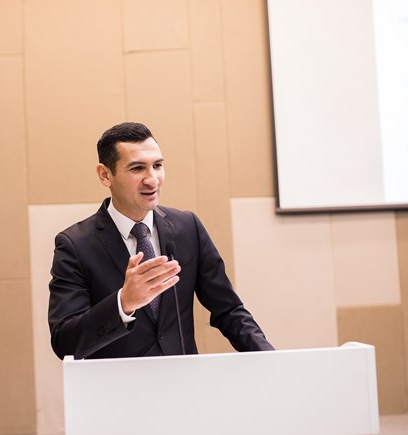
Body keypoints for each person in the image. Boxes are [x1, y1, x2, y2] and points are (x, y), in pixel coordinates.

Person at [48, 122, 273, 359]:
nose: (153, 180)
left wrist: (273, 363)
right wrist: (123, 303)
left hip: (183, 379)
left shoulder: (188, 227)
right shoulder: (75, 245)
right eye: (137, 168)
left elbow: (229, 311)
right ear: (105, 175)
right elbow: (65, 343)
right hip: (117, 382)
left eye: (157, 166)